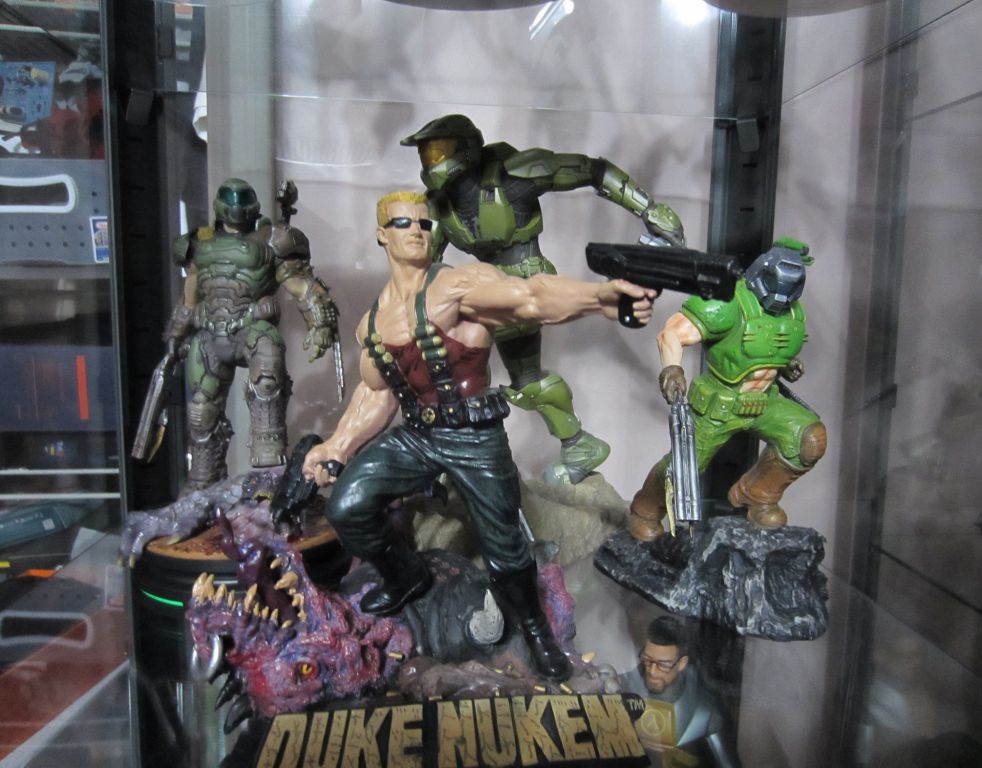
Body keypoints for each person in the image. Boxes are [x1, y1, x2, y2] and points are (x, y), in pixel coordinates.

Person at [303, 190, 656, 680]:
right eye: (404, 223)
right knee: (346, 507)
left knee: (505, 546)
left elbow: (531, 296)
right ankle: (404, 577)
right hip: (417, 436)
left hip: (473, 434)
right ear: (382, 234)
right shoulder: (373, 321)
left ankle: (535, 628)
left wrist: (599, 298)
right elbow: (376, 393)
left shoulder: (458, 286)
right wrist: (338, 446)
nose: (417, 232)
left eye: (424, 224)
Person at [400, 114, 685, 484]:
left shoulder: (513, 175)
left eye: (440, 150)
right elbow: (425, 264)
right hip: (487, 289)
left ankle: (463, 452)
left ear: (466, 148)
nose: (432, 160)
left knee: (463, 363)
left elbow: (592, 170)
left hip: (526, 281)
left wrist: (650, 210)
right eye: (427, 153)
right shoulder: (440, 206)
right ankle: (578, 444)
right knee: (526, 382)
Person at [629, 238, 827, 539]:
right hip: (720, 405)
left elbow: (768, 350)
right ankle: (645, 509)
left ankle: (757, 495)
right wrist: (672, 368)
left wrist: (786, 365)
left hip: (766, 402)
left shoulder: (792, 313)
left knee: (809, 439)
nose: (781, 296)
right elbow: (672, 334)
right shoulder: (729, 302)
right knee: (683, 469)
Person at [165, 178, 339, 491]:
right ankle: (203, 483)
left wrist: (321, 324)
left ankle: (269, 476)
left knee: (267, 382)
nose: (236, 208)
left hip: (252, 330)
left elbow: (299, 284)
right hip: (209, 335)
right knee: (201, 411)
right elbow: (190, 294)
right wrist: (177, 333)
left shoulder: (272, 240)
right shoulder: (199, 242)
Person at [620, 616, 740, 768]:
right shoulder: (624, 687)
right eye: (648, 660)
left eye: (663, 665)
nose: (653, 671)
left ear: (682, 663)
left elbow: (728, 764)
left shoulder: (705, 709)